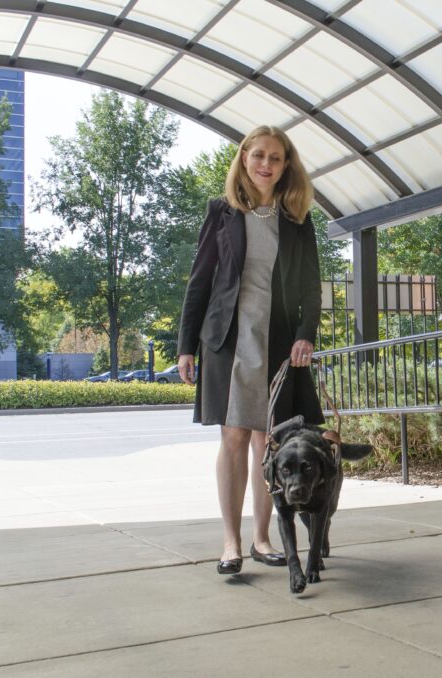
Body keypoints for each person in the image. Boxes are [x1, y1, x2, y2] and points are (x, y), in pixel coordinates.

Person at [176, 125, 324, 575]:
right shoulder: (221, 213)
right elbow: (200, 282)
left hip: (278, 341)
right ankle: (230, 542)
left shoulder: (298, 220)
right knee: (234, 437)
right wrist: (185, 345)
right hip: (227, 341)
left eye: (275, 158)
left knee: (270, 440)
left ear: (285, 166)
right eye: (258, 155)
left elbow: (312, 287)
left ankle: (263, 538)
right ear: (244, 159)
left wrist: (306, 333)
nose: (266, 164)